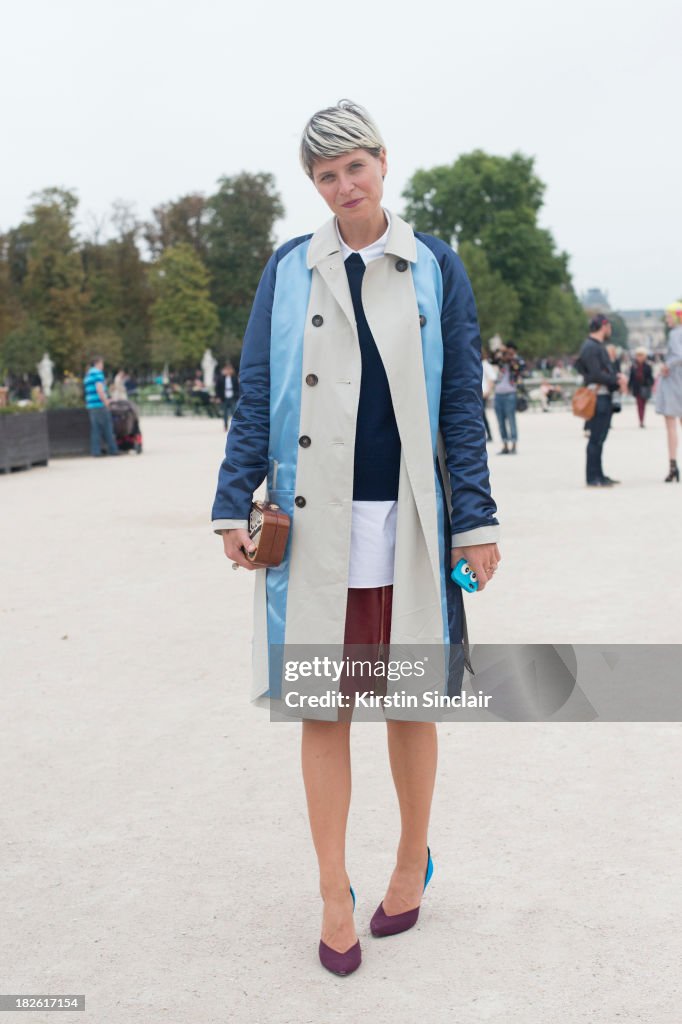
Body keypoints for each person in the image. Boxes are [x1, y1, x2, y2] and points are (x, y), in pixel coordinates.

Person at [210, 100, 501, 977]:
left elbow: (461, 408)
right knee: (323, 710)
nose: (343, 186)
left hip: (412, 523)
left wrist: (477, 518)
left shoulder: (435, 266)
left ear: (382, 163)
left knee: (411, 705)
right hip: (316, 528)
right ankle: (333, 889)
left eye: (354, 168)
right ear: (316, 184)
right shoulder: (289, 267)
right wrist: (234, 500)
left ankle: (412, 863)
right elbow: (256, 389)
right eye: (326, 175)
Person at [576, 314, 626, 486]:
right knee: (595, 438)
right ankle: (593, 477)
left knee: (599, 438)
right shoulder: (591, 347)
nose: (610, 329)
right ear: (603, 326)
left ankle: (599, 474)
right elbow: (596, 374)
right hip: (598, 396)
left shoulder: (593, 346)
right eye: (609, 326)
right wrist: (616, 379)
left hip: (602, 395)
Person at [654, 301, 682, 482]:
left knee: (670, 426)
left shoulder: (674, 334)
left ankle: (673, 465)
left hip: (674, 382)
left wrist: (666, 365)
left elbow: (679, 355)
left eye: (668, 316)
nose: (666, 319)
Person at [492, 341, 525, 453]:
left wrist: (511, 358)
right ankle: (505, 445)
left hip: (510, 394)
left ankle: (514, 445)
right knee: (501, 422)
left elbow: (519, 368)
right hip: (498, 394)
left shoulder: (517, 361)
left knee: (511, 420)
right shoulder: (500, 360)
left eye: (510, 352)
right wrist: (499, 351)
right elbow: (492, 361)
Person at [83, 355, 119, 457]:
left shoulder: (88, 375)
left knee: (95, 429)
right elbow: (100, 389)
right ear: (98, 363)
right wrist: (106, 401)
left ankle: (96, 451)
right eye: (102, 364)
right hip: (99, 404)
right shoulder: (98, 374)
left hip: (91, 405)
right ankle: (113, 449)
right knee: (107, 427)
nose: (102, 366)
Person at [628, 347, 654, 428]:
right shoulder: (633, 366)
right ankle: (641, 420)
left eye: (641, 355)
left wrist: (649, 384)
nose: (640, 357)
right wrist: (629, 387)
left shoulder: (648, 366)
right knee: (639, 404)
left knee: (643, 404)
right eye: (638, 355)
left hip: (645, 387)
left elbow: (651, 378)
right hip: (637, 388)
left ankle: (642, 419)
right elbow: (631, 377)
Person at [215, 362, 239, 430]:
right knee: (225, 413)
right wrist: (218, 397)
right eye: (226, 369)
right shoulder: (220, 378)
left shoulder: (234, 378)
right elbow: (217, 388)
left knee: (234, 412)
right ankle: (225, 426)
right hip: (224, 397)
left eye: (229, 369)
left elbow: (238, 388)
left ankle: (234, 426)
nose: (228, 371)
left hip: (232, 396)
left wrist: (237, 395)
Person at [481, 351, 498, 441]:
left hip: (483, 393)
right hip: (479, 393)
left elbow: (492, 378)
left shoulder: (485, 364)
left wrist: (488, 392)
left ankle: (489, 434)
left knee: (482, 415)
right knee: (481, 415)